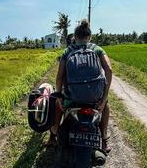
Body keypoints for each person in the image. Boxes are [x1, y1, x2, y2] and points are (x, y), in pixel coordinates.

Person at [46, 19, 113, 153]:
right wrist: (104, 97)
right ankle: (104, 139)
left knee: (58, 106)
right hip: (94, 98)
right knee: (105, 107)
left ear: (75, 37)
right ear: (89, 37)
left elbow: (59, 77)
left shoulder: (68, 51)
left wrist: (59, 96)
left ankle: (53, 135)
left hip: (73, 98)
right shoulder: (97, 49)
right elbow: (109, 70)